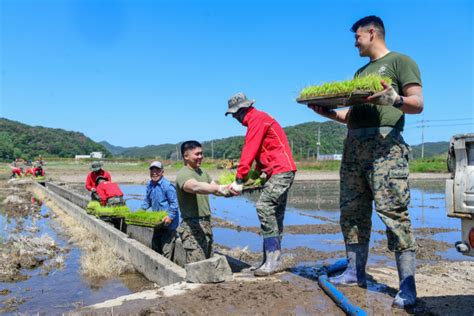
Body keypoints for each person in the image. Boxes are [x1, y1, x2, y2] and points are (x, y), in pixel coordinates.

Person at [307, 16, 423, 309]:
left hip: (385, 147)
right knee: (352, 211)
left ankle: (407, 286)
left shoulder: (400, 61)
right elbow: (351, 116)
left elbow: (417, 104)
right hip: (354, 146)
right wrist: (328, 114)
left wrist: (393, 99)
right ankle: (354, 272)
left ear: (372, 33)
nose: (355, 42)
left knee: (393, 212)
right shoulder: (360, 72)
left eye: (357, 36)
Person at [225, 92, 297, 277]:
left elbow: (250, 148)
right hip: (278, 170)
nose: (234, 118)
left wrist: (240, 179)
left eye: (234, 114)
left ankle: (272, 260)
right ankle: (271, 259)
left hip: (281, 170)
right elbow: (263, 150)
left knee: (264, 206)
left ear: (241, 110)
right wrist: (259, 172)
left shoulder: (256, 119)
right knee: (275, 214)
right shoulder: (259, 118)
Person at [175, 140, 233, 264]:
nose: (200, 157)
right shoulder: (183, 174)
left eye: (201, 153)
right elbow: (194, 187)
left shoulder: (202, 172)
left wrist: (228, 190)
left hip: (206, 223)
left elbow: (214, 189)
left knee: (208, 258)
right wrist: (219, 188)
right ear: (186, 156)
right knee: (197, 264)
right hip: (191, 226)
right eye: (197, 154)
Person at [140, 161, 180, 261]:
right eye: (152, 170)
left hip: (168, 223)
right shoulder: (150, 185)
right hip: (157, 222)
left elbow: (175, 204)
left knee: (166, 249)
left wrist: (170, 217)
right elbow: (148, 200)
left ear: (162, 172)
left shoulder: (167, 186)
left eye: (157, 170)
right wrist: (140, 211)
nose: (154, 172)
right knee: (155, 245)